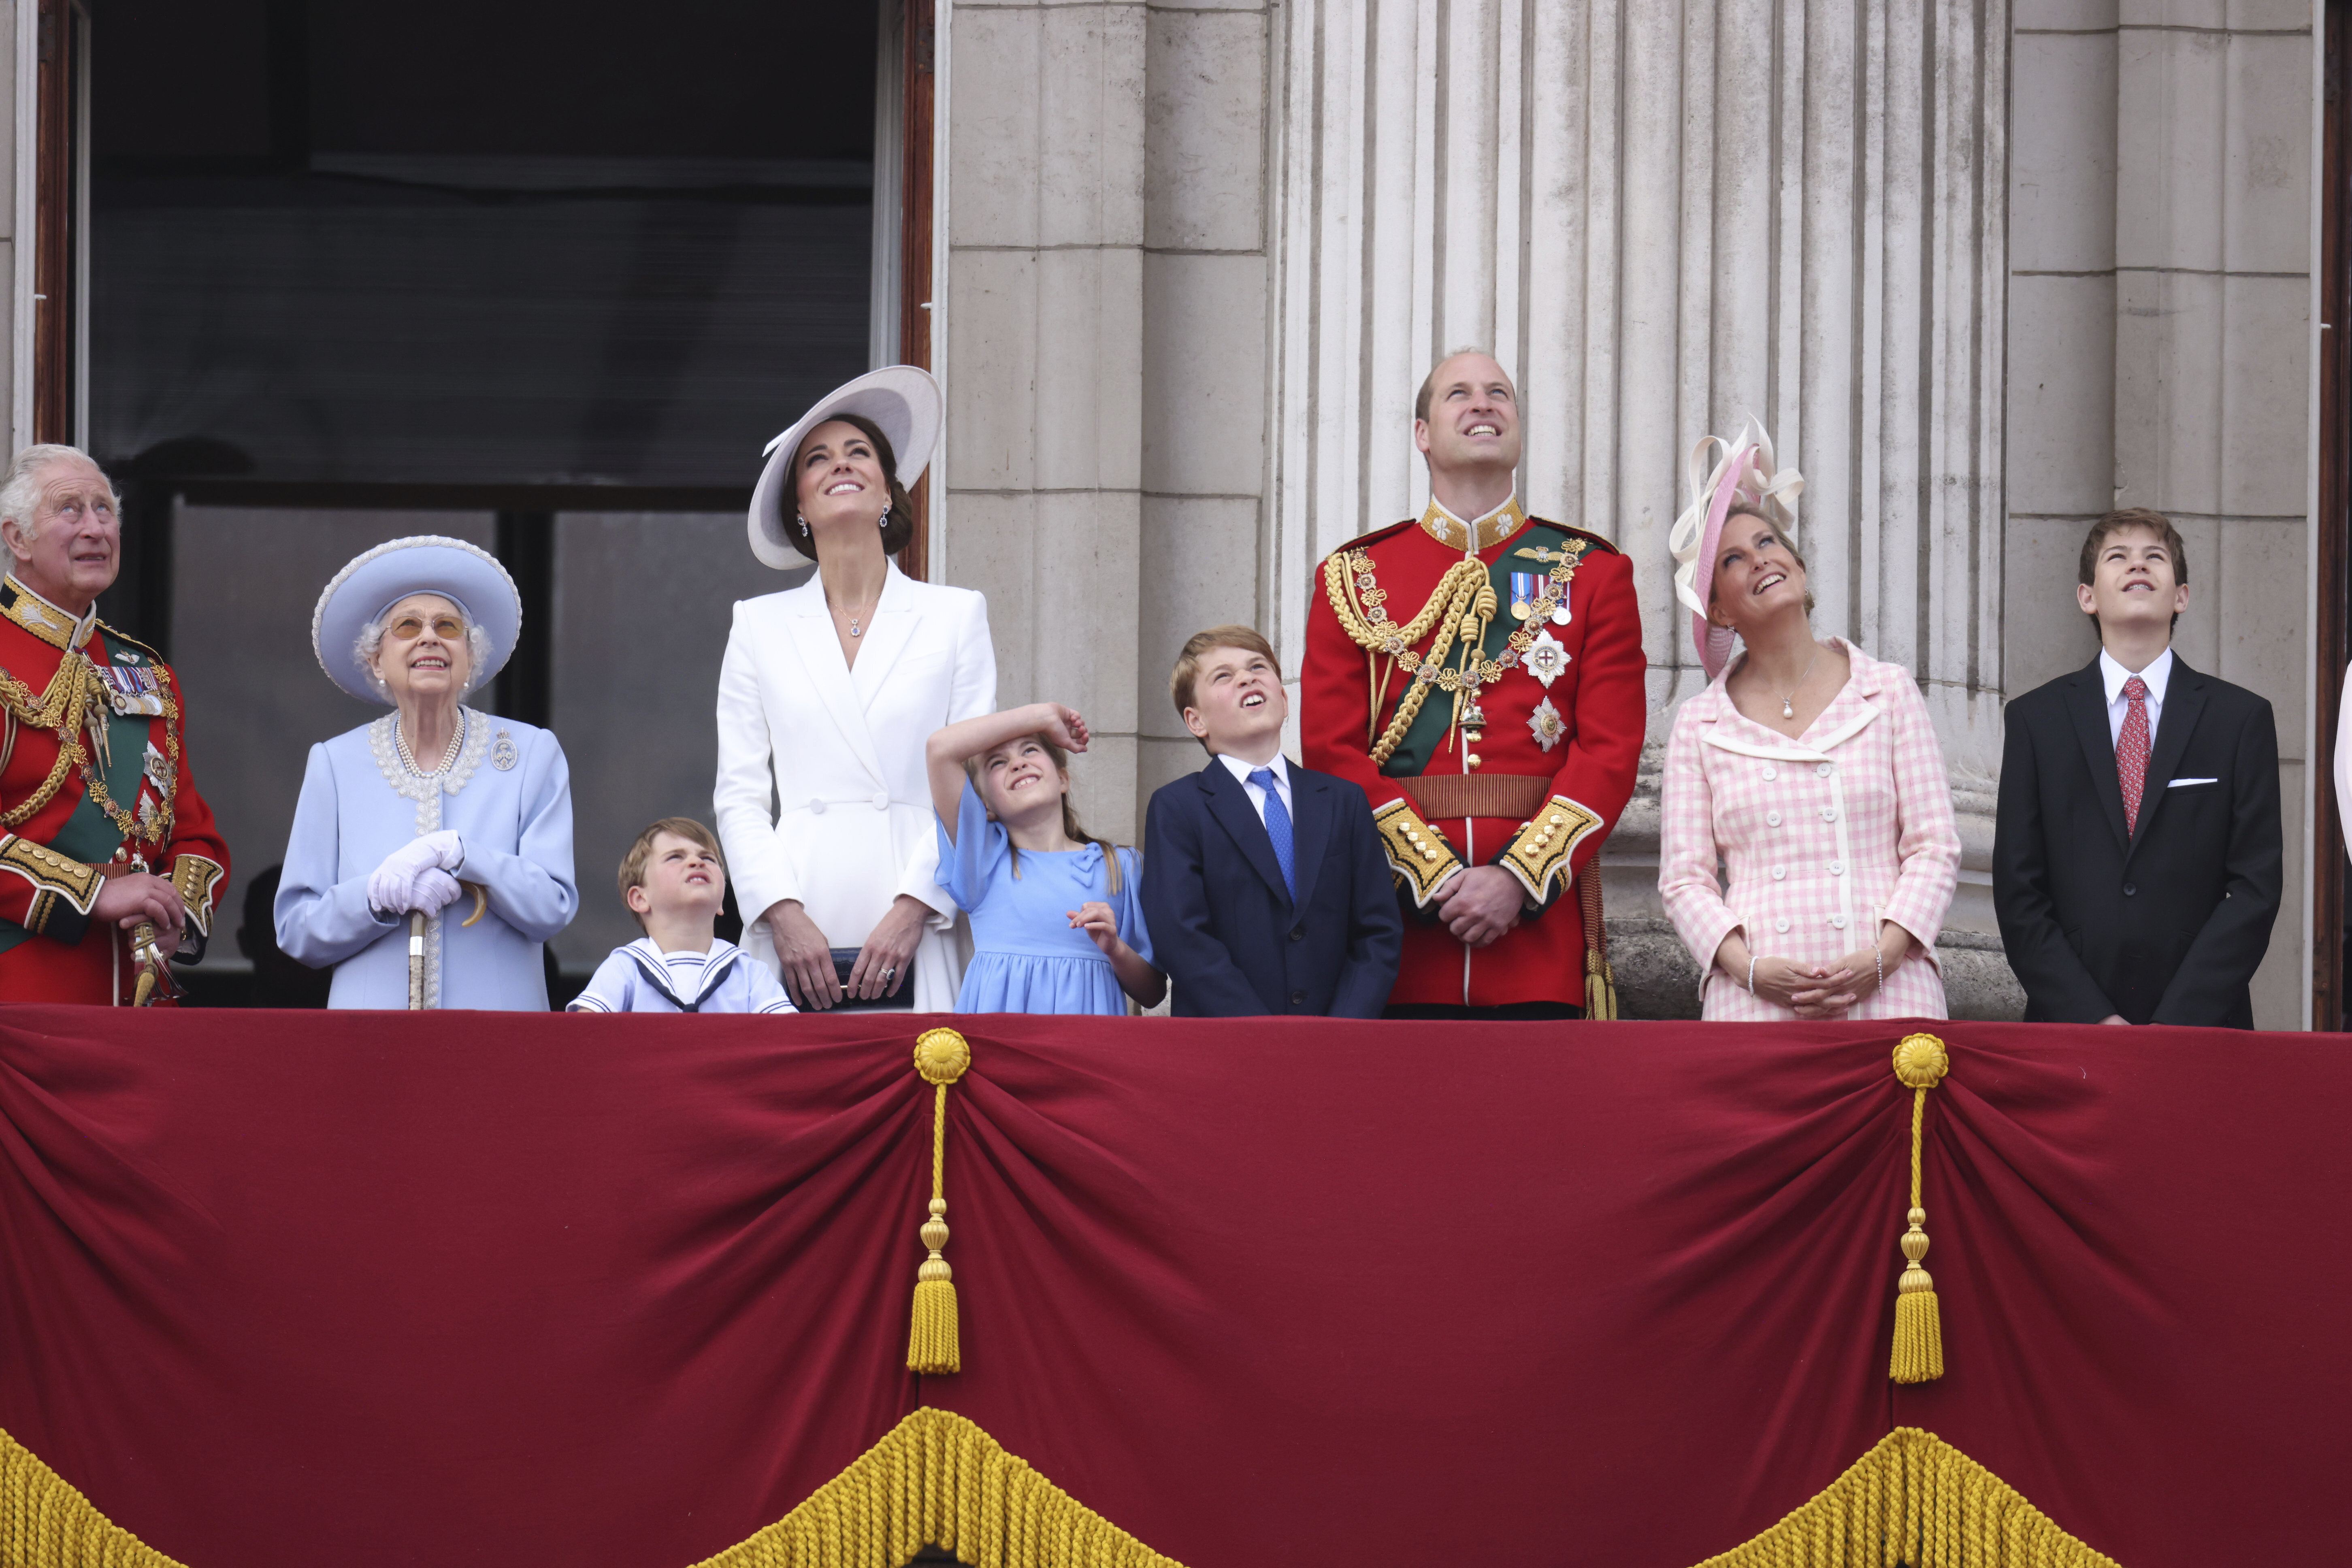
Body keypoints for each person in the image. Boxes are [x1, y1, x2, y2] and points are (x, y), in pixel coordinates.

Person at [1298, 351, 1645, 1019]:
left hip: (1538, 939)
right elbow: (1330, 751)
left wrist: (1518, 878)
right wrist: (1432, 876)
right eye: (1458, 393)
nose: (1483, 403)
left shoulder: (1593, 572)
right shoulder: (1352, 575)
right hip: (1398, 937)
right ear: (1422, 433)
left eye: (1499, 394)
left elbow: (1608, 751)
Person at [1657, 421, 1960, 1020]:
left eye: (1768, 543)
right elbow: (1685, 881)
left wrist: (1885, 955)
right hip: (1755, 1006)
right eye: (1733, 560)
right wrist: (1748, 970)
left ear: (1796, 563)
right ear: (1717, 608)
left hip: (1890, 996)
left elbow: (1933, 847)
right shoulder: (1699, 724)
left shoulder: (1889, 691)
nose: (1760, 561)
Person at [716, 366, 995, 1012]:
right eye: (817, 459)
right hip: (799, 909)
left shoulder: (957, 615)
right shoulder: (757, 625)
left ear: (887, 493)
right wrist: (780, 913)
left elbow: (974, 779)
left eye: (858, 452)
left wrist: (916, 907)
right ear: (800, 507)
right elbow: (740, 794)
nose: (840, 464)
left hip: (918, 908)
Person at [1993, 508, 2282, 1027]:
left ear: (2181, 596)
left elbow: (2255, 888)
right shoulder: (2036, 720)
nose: (2137, 565)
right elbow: (2019, 891)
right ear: (2087, 595)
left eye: (2155, 556)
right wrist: (2094, 1017)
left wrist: (2179, 1020)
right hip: (2072, 1025)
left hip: (2203, 1027)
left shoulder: (2240, 718)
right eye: (2117, 557)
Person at [276, 536, 578, 1009]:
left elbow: (552, 907)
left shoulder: (530, 753)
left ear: (470, 657)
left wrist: (465, 856)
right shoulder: (335, 763)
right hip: (370, 1039)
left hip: (498, 1038)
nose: (429, 637)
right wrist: (375, 896)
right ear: (375, 659)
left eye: (449, 626)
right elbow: (297, 930)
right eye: (408, 626)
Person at [0, 443, 228, 1004]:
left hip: (137, 1002)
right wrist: (93, 895)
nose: (95, 528)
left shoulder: (147, 673)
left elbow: (195, 835)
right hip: (20, 1001)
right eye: (70, 510)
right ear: (17, 539)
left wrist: (175, 908)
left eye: (104, 510)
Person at [1141, 626, 1402, 1017]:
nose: (1247, 677)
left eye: (1258, 667)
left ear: (1283, 698)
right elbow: (1181, 935)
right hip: (1228, 1042)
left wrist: (1344, 1027)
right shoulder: (1178, 808)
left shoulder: (1343, 801)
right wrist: (1263, 1035)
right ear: (1196, 721)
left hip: (1335, 1042)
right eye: (1224, 676)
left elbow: (1377, 931)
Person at [927, 701, 1162, 1014]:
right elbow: (939, 749)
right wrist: (1041, 716)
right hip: (1002, 1049)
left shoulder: (1118, 866)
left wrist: (1115, 949)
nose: (1018, 764)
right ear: (984, 806)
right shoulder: (981, 860)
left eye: (1030, 750)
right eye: (997, 763)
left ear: (1063, 778)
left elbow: (1153, 992)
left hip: (1082, 1049)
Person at [567, 818, 795, 1015]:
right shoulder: (625, 967)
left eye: (709, 858)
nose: (697, 862)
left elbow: (791, 1037)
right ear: (640, 899)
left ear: (722, 901)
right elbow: (585, 1036)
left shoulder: (750, 973)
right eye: (675, 857)